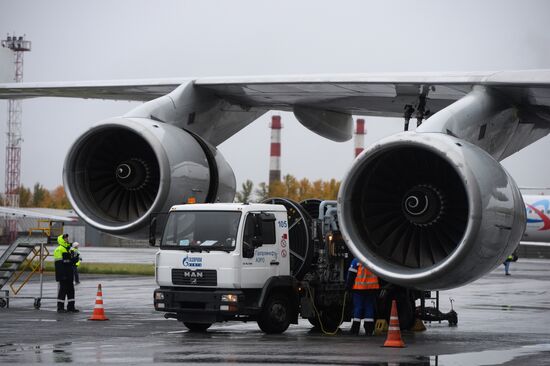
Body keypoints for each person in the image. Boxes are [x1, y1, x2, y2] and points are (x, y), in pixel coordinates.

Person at [346, 258, 380, 335]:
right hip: (371, 288)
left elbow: (351, 275)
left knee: (358, 307)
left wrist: (348, 287)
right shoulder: (373, 260)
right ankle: (369, 330)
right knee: (369, 307)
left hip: (359, 288)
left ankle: (355, 329)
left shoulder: (356, 261)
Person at [54, 234, 79, 313]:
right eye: (65, 238)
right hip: (63, 274)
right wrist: (61, 275)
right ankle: (60, 308)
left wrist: (76, 257)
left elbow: (71, 262)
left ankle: (71, 307)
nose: (67, 239)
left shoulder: (69, 249)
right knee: (63, 291)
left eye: (67, 238)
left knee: (71, 290)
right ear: (61, 240)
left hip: (69, 273)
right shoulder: (59, 249)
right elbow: (59, 264)